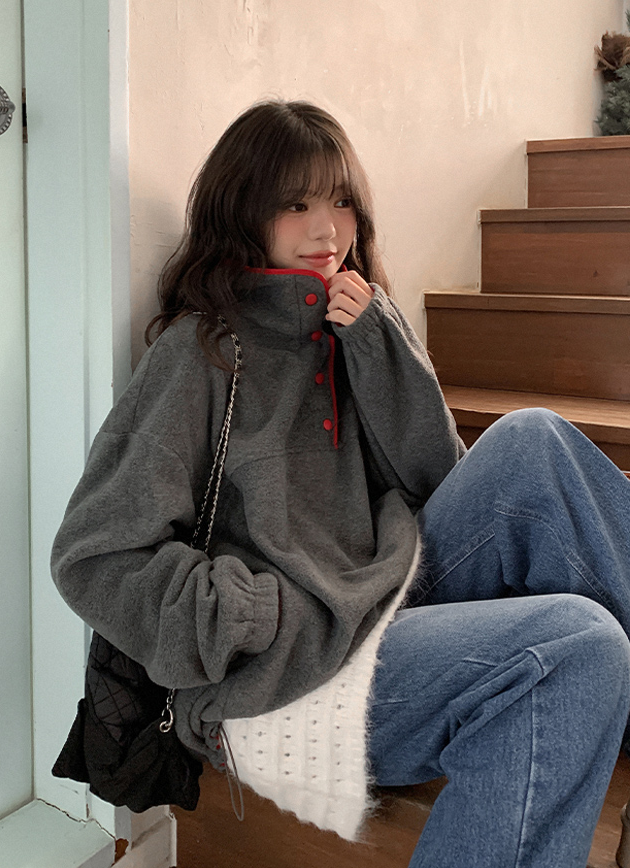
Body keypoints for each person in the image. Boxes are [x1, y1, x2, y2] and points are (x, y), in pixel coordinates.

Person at [51, 100, 630, 868]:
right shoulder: (201, 354)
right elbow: (94, 556)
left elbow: (437, 482)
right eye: (295, 205)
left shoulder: (354, 326)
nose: (327, 230)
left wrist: (380, 346)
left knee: (532, 440)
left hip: (381, 600)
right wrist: (252, 615)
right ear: (242, 210)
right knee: (577, 642)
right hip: (281, 678)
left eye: (342, 201)